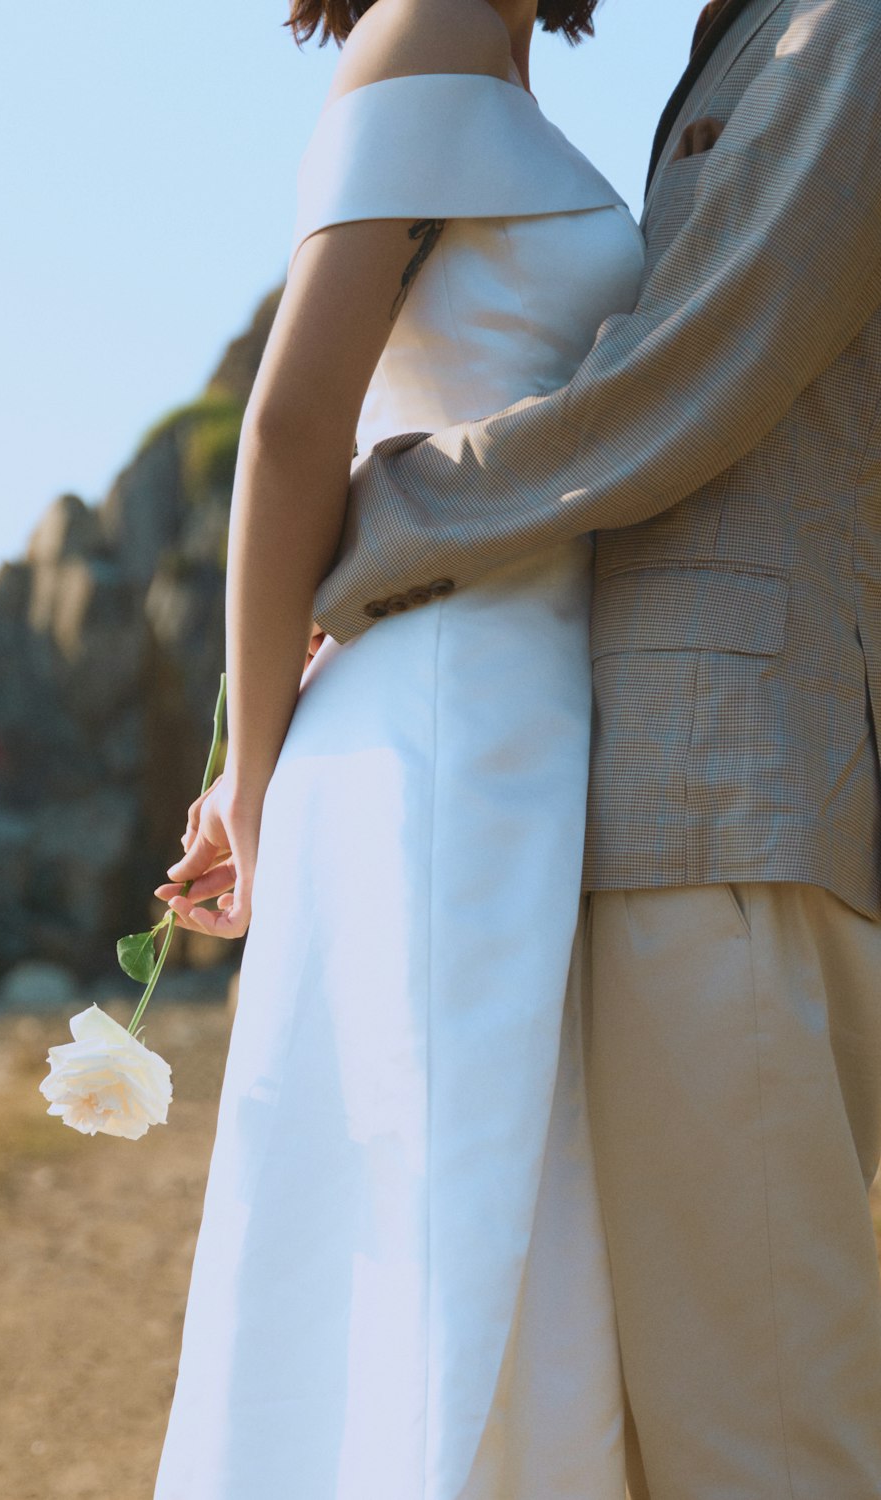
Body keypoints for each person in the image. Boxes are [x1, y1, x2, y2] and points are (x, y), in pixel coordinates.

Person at [295, 0, 881, 1496]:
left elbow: (708, 352)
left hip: (727, 787)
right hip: (622, 790)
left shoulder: (841, 27)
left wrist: (375, 530)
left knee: (755, 1440)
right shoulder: (744, 34)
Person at [151, 1, 646, 1496]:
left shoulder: (495, 61)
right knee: (447, 1243)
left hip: (521, 715)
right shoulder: (425, 26)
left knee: (510, 1236)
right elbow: (295, 426)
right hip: (448, 730)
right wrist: (254, 773)